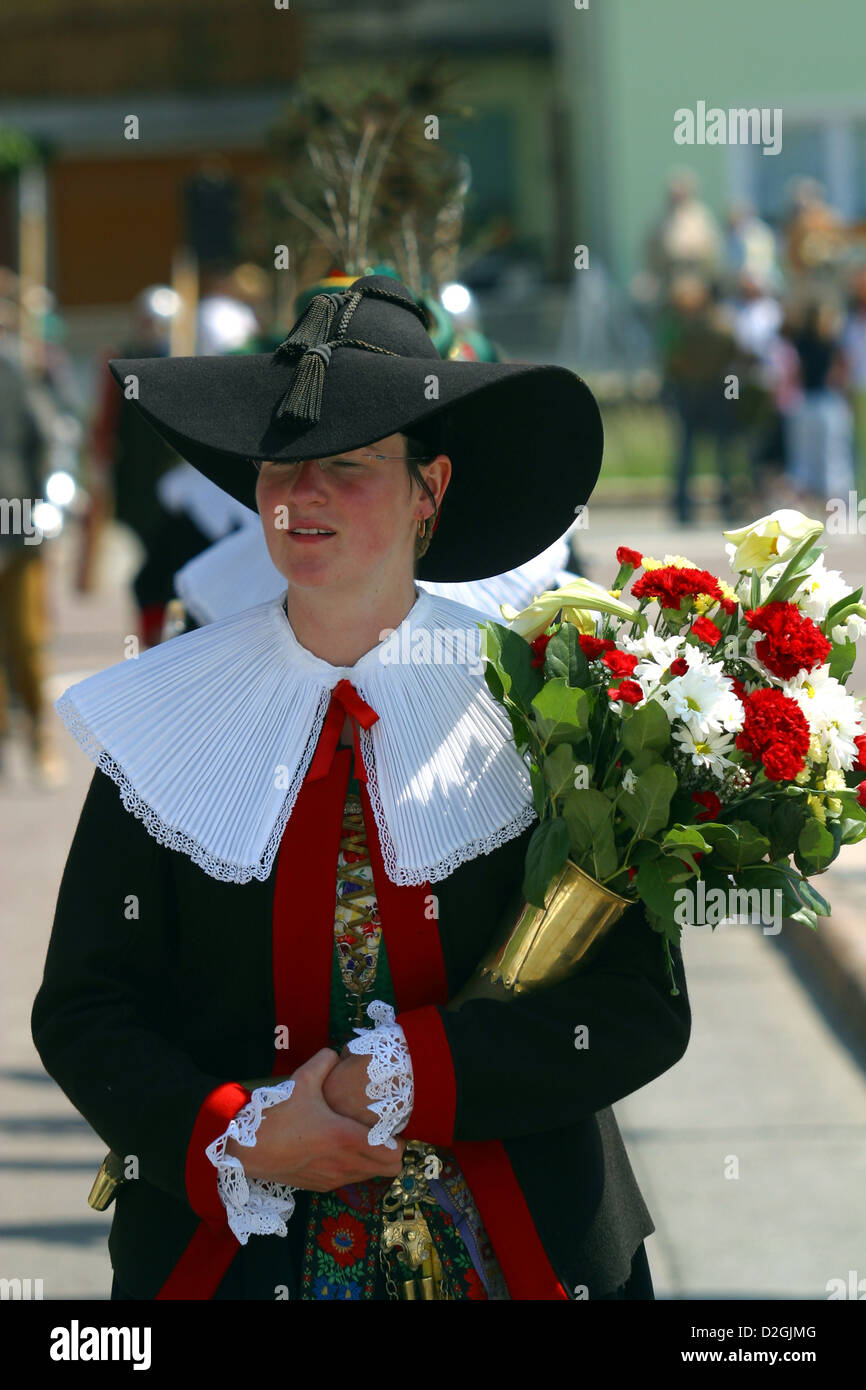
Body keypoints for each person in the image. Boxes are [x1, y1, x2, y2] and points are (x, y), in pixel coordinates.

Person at [31, 274, 690, 1301]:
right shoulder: (169, 712)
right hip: (238, 1264)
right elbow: (85, 1008)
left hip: (520, 1257)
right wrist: (234, 1131)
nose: (302, 496)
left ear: (428, 492)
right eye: (281, 466)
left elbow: (636, 1005)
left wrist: (412, 1075)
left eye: (346, 465)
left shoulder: (547, 703)